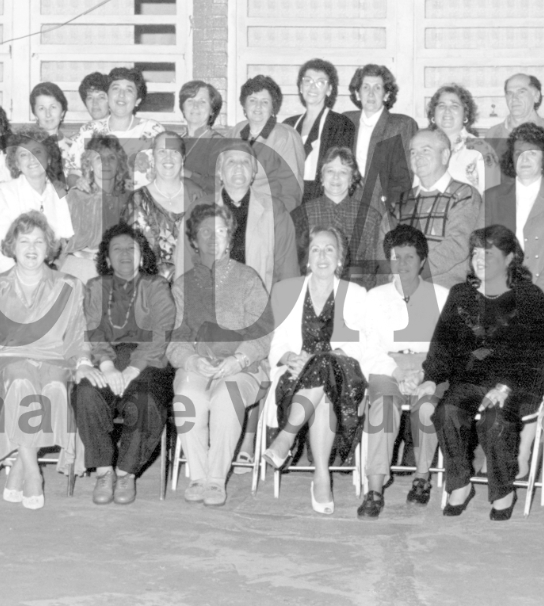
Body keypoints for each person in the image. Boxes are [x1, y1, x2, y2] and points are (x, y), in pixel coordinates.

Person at [416, 225, 544, 520]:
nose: (480, 260)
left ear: (510, 258)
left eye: (488, 254)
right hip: (471, 378)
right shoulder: (461, 294)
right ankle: (460, 482)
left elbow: (535, 351)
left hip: (518, 380)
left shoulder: (530, 297)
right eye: (476, 253)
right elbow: (443, 342)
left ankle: (503, 490)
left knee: (495, 419)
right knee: (446, 412)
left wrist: (506, 385)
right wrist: (431, 377)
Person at [0, 212, 90, 511]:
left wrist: (84, 361)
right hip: (10, 358)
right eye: (24, 241)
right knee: (21, 385)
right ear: (12, 246)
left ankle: (21, 468)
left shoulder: (70, 286)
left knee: (55, 390)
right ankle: (33, 471)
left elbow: (77, 334)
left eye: (39, 241)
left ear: (49, 246)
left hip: (54, 358)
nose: (32, 248)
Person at [167, 204, 274, 506]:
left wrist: (238, 359)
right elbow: (175, 337)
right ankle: (198, 476)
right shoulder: (183, 285)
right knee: (188, 397)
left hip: (242, 367)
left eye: (221, 231)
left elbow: (264, 331)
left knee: (227, 396)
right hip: (198, 364)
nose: (214, 238)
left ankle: (216, 480)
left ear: (230, 238)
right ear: (194, 241)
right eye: (205, 232)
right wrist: (190, 360)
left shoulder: (247, 278)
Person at [262, 226, 369, 515]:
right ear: (307, 258)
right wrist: (289, 357)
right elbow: (275, 347)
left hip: (343, 379)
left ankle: (285, 438)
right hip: (296, 380)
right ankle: (322, 477)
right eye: (315, 249)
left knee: (325, 364)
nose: (322, 256)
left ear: (340, 257)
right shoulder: (287, 291)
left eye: (329, 249)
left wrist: (334, 354)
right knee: (322, 388)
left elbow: (364, 346)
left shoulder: (356, 294)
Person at [74, 223, 176, 506]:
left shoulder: (156, 286)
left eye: (130, 249)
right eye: (115, 250)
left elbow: (161, 330)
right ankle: (104, 471)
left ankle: (126, 473)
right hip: (106, 357)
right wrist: (106, 365)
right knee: (85, 392)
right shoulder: (95, 287)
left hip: (149, 363)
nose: (123, 255)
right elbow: (94, 329)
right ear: (105, 259)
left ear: (142, 256)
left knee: (146, 401)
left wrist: (132, 368)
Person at [357, 225, 450, 519]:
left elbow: (449, 349)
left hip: (430, 368)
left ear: (422, 261)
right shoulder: (374, 297)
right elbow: (368, 349)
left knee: (426, 409)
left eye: (410, 257)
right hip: (387, 367)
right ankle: (374, 489)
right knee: (383, 407)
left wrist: (426, 373)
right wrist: (397, 372)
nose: (403, 264)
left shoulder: (443, 296)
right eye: (397, 257)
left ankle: (422, 478)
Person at [484, 122, 544, 300]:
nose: (524, 159)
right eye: (518, 153)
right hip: (496, 291)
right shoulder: (491, 197)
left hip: (542, 290)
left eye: (532, 153)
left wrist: (538, 294)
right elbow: (480, 248)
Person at [392, 129, 483, 288]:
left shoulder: (464, 195)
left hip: (445, 290)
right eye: (413, 152)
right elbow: (386, 244)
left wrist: (415, 272)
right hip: (401, 287)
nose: (417, 157)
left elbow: (457, 245)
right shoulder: (402, 199)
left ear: (445, 155)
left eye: (425, 150)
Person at [290, 147, 392, 289]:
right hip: (311, 291)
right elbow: (293, 266)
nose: (336, 177)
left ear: (352, 179)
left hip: (355, 293)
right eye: (330, 171)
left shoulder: (370, 217)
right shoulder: (301, 215)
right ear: (321, 177)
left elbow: (372, 269)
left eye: (343, 172)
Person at [0, 126, 74, 276]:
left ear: (49, 158)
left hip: (46, 272)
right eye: (24, 155)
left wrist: (52, 273)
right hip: (8, 271)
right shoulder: (3, 193)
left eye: (37, 152)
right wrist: (19, 281)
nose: (32, 159)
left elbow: (65, 243)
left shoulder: (59, 194)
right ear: (17, 164)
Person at [122, 131, 206, 280]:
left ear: (183, 159)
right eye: (162, 152)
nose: (168, 158)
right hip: (150, 291)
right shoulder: (137, 200)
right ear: (153, 159)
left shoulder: (197, 199)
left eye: (174, 152)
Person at [216, 140, 299, 290]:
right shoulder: (201, 209)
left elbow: (288, 269)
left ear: (254, 173)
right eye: (231, 162)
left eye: (246, 162)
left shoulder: (275, 210)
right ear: (220, 172)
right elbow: (187, 266)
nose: (239, 166)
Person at [65, 67, 166, 189]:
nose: (121, 95)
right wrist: (79, 182)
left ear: (138, 100)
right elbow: (73, 174)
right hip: (99, 203)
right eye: (116, 88)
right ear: (108, 95)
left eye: (129, 90)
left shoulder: (153, 130)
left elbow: (168, 172)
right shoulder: (89, 131)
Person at [342, 64, 419, 207]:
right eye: (365, 87)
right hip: (346, 202)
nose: (371, 94)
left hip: (382, 205)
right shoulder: (346, 121)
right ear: (358, 94)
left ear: (387, 94)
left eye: (377, 87)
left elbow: (405, 176)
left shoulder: (402, 125)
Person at [283, 59, 356, 203]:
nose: (313, 87)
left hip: (322, 199)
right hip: (289, 199)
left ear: (329, 90)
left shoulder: (341, 124)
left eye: (320, 82)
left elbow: (340, 170)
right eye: (308, 81)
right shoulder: (288, 125)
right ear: (300, 87)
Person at [64, 134, 134, 284]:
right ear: (89, 165)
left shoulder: (129, 198)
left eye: (112, 158)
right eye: (98, 158)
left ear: (119, 164)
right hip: (80, 266)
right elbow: (63, 243)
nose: (106, 163)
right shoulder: (76, 197)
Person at [230, 75, 306, 212]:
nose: (258, 106)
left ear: (273, 107)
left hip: (269, 214)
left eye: (265, 102)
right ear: (244, 105)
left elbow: (292, 191)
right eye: (252, 100)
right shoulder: (237, 131)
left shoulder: (285, 136)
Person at [427, 83, 497, 193]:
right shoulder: (422, 147)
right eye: (441, 106)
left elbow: (492, 196)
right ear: (433, 115)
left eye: (454, 106)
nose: (447, 111)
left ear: (465, 115)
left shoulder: (482, 150)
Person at [485, 73, 544, 158]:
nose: (514, 98)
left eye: (521, 92)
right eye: (510, 93)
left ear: (536, 96)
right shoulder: (492, 134)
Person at [179, 80, 226, 191]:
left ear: (212, 111)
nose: (195, 106)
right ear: (183, 108)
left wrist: (187, 174)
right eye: (190, 101)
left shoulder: (219, 143)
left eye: (202, 102)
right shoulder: (175, 140)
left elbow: (221, 185)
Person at [30, 81, 69, 152]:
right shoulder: (26, 148)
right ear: (35, 114)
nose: (48, 114)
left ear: (62, 112)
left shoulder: (74, 148)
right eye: (41, 108)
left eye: (53, 107)